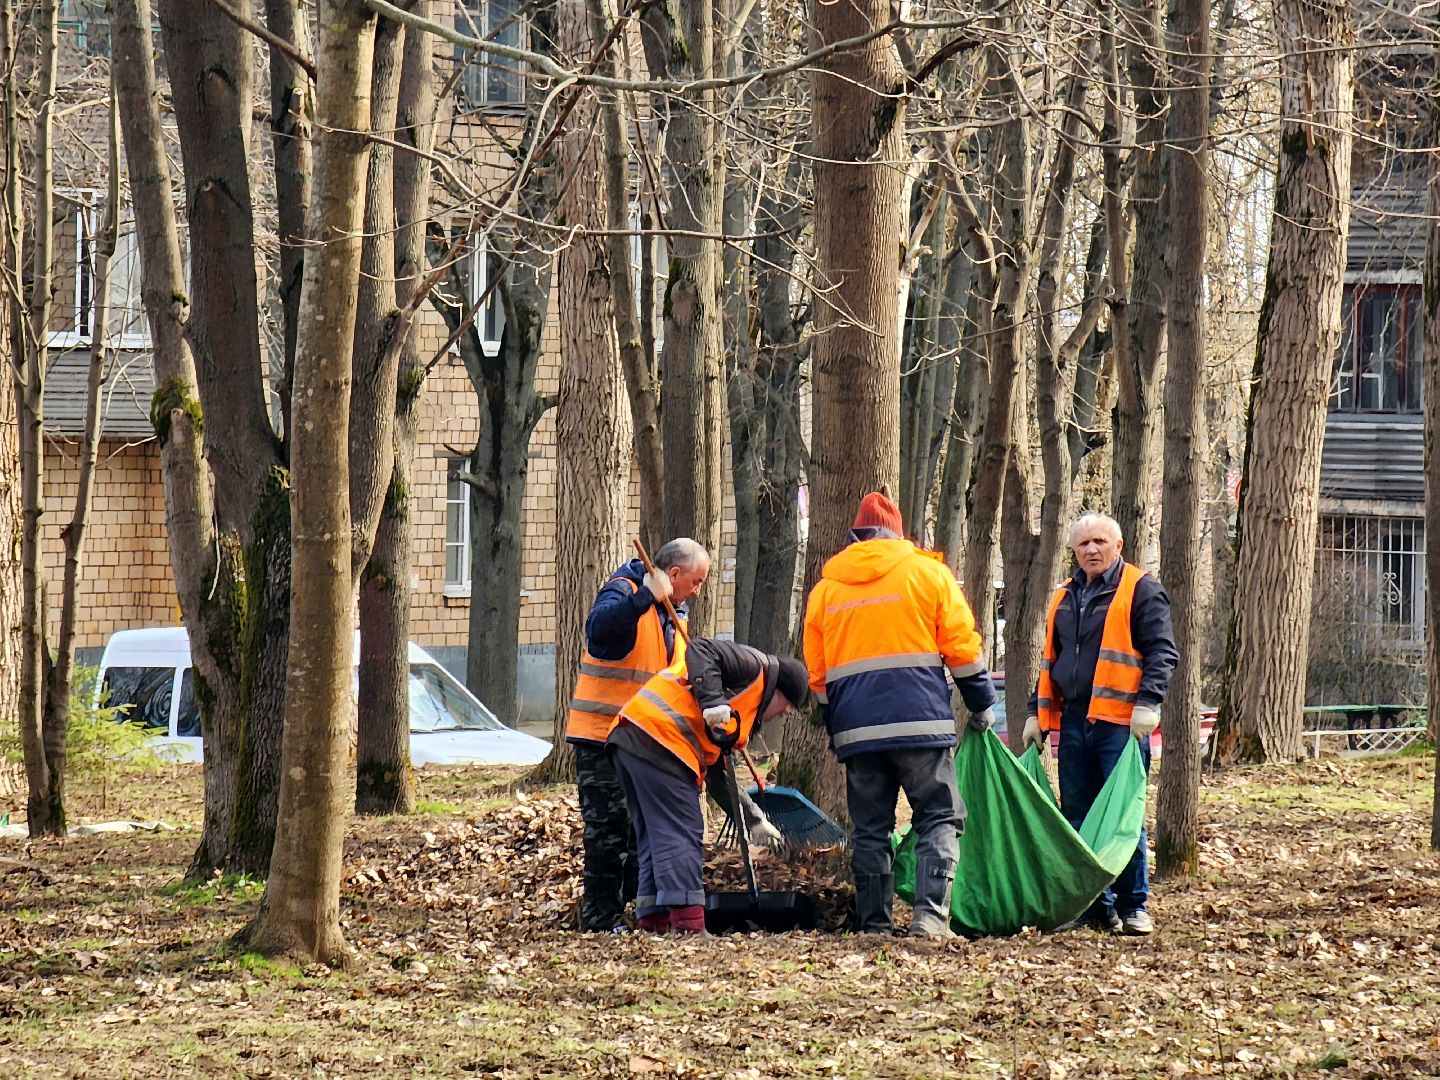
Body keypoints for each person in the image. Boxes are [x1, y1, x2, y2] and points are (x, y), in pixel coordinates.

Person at [803, 491, 997, 940]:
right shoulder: (928, 574)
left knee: (870, 829)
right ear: (897, 531)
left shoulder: (826, 590)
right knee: (939, 816)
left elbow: (818, 674)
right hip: (920, 725)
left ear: (857, 534)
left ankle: (874, 925)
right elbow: (962, 647)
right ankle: (929, 919)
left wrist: (837, 728)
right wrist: (982, 702)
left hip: (857, 732)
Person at [1023, 511, 1178, 936]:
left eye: (1099, 542)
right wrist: (1034, 713)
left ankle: (1134, 906)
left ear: (1118, 546)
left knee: (1121, 816)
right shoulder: (1064, 596)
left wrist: (1148, 704)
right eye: (1083, 544)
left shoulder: (1140, 589)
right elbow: (1048, 661)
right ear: (1073, 551)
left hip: (1121, 726)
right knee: (1078, 816)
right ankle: (1094, 906)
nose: (1091, 550)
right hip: (1073, 722)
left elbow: (1162, 652)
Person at [607, 637, 810, 935]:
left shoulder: (743, 705)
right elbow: (701, 649)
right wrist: (714, 703)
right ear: (779, 691)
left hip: (631, 738)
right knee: (681, 832)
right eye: (788, 706)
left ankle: (654, 923)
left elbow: (718, 774)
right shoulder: (753, 666)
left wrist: (753, 820)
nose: (786, 714)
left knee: (654, 836)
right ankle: (688, 927)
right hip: (660, 739)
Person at [564, 538, 709, 933]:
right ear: (673, 574)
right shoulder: (624, 591)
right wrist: (644, 597)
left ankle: (630, 914)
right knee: (607, 836)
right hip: (602, 739)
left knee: (636, 833)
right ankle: (600, 919)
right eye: (695, 581)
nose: (697, 591)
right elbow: (599, 630)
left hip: (643, 744)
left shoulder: (675, 618)